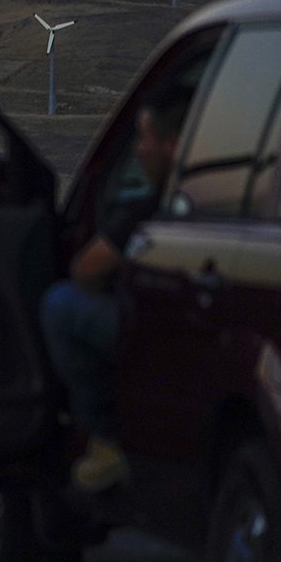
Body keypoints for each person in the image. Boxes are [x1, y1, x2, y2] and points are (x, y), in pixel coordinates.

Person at [40, 90, 186, 493]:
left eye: (145, 137)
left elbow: (86, 269)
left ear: (172, 145)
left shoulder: (157, 205)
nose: (139, 150)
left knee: (61, 305)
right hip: (194, 330)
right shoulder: (218, 196)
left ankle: (105, 439)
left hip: (166, 332)